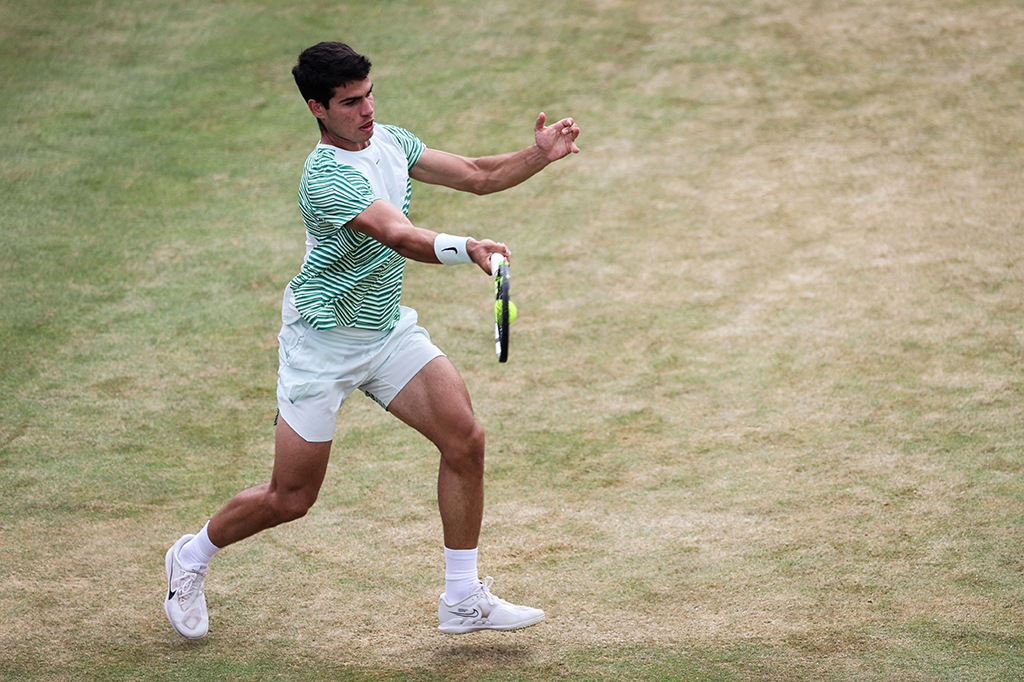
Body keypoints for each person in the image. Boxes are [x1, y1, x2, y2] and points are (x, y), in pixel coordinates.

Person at [164, 41, 581, 639]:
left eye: (369, 95)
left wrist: (537, 155)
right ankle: (191, 556)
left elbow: (478, 175)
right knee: (291, 497)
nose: (366, 111)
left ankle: (462, 600)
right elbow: (400, 236)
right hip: (322, 343)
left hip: (384, 330)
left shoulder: (389, 139)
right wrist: (470, 249)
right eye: (349, 102)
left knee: (464, 440)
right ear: (317, 108)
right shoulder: (325, 178)